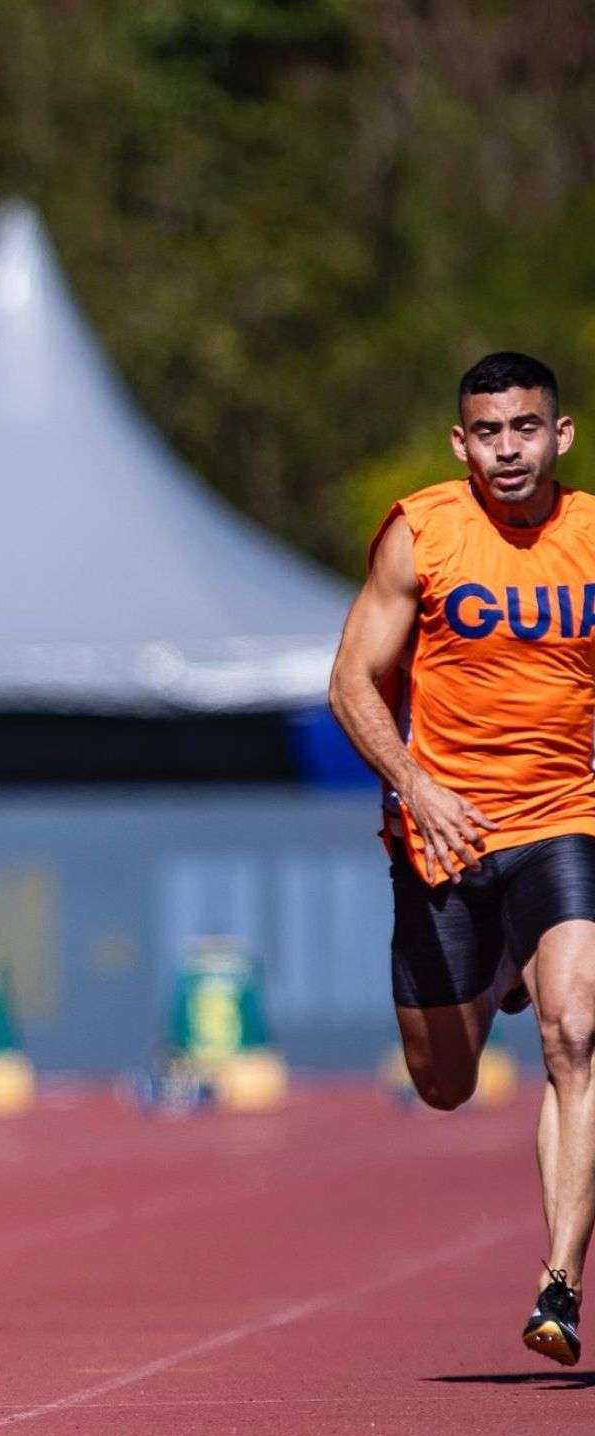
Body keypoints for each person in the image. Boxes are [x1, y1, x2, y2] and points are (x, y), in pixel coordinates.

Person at [327, 351, 590, 1364]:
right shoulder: (423, 532)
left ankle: (560, 1282)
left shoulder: (591, 537)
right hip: (443, 832)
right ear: (461, 442)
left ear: (558, 435)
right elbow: (352, 680)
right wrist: (416, 786)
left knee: (578, 1031)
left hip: (565, 818)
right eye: (489, 433)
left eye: (526, 428)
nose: (508, 449)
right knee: (443, 1079)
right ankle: (490, 975)